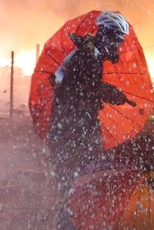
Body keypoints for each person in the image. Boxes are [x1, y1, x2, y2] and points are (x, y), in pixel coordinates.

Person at [47, 10, 136, 188]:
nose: (117, 46)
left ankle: (73, 208)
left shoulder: (90, 55)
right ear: (105, 35)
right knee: (82, 176)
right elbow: (83, 89)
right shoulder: (87, 57)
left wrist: (106, 92)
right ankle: (71, 211)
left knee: (79, 177)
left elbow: (86, 87)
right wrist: (110, 93)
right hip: (73, 128)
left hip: (73, 126)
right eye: (116, 40)